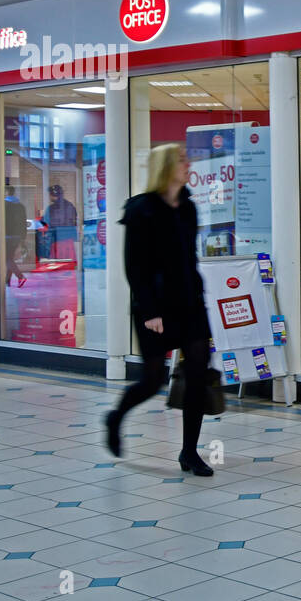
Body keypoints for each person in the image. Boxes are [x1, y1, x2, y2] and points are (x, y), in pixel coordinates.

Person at [104, 144, 216, 476]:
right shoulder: (141, 210)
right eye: (182, 159)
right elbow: (133, 266)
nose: (188, 162)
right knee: (152, 380)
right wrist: (150, 309)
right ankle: (116, 417)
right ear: (166, 167)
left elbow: (188, 257)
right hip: (154, 307)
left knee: (197, 372)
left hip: (190, 303)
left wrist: (198, 293)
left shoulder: (188, 208)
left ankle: (189, 452)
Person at [3, 184, 28, 287]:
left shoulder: (4, 205)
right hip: (18, 236)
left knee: (7, 259)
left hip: (7, 236)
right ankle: (7, 281)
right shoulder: (21, 206)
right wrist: (23, 237)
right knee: (10, 258)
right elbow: (23, 222)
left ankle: (20, 277)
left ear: (7, 192)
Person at [46, 184, 79, 260]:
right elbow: (75, 220)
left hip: (57, 240)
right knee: (69, 264)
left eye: (50, 195)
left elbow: (47, 223)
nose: (49, 197)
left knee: (58, 263)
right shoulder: (70, 205)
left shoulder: (51, 208)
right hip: (69, 239)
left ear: (53, 195)